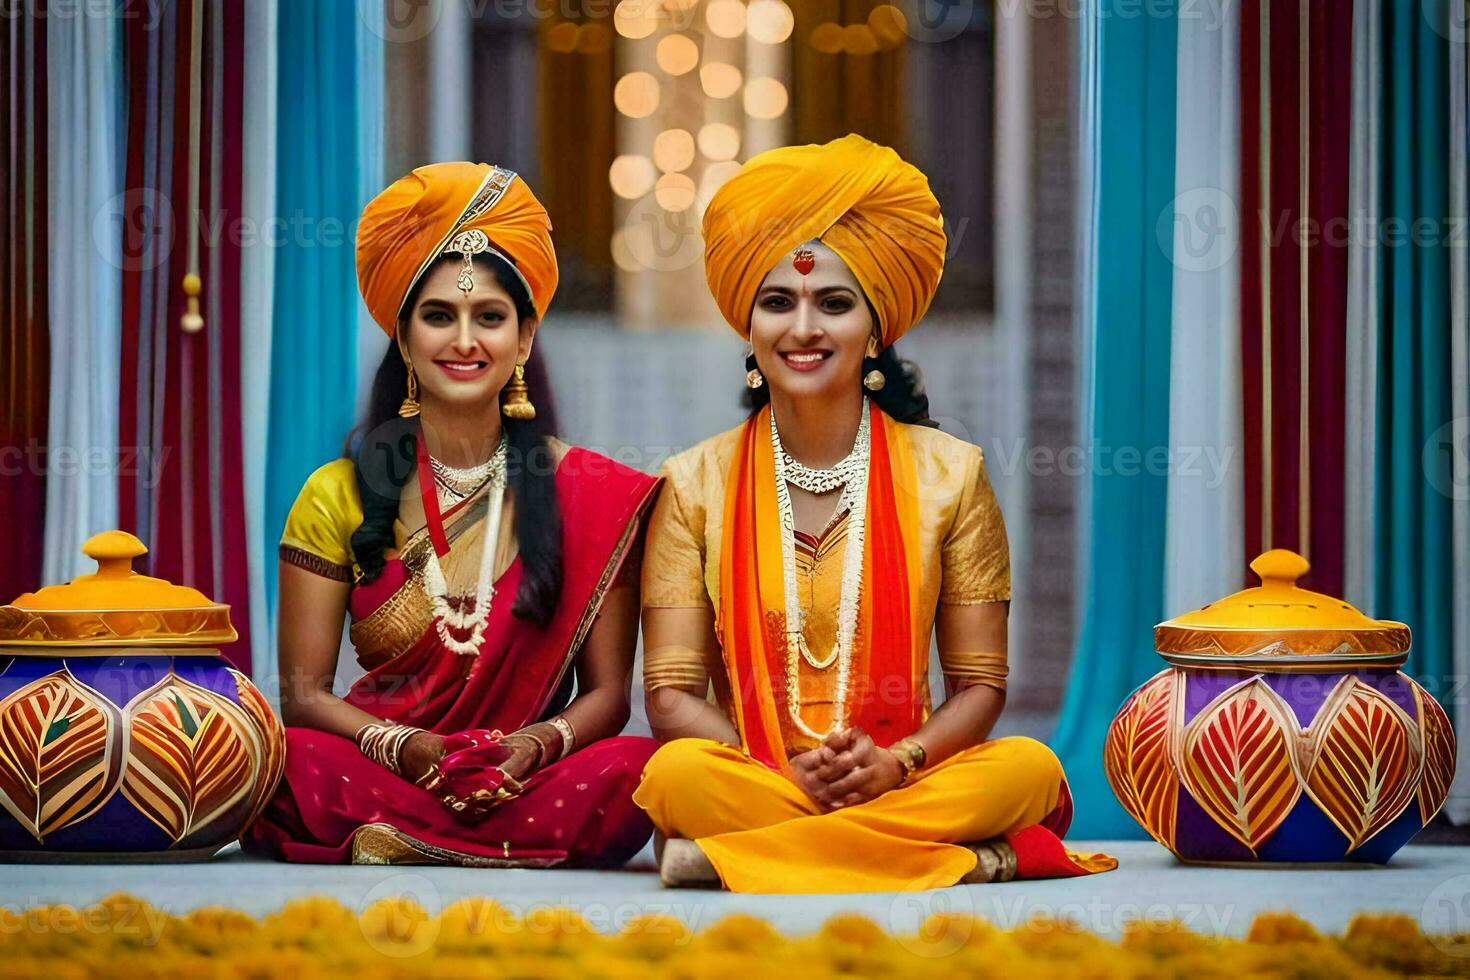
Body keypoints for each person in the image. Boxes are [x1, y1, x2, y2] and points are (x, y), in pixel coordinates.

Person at [633, 135, 1116, 893]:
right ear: (749, 329)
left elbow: (981, 686)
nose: (803, 329)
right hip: (761, 773)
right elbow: (669, 697)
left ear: (876, 328)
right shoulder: (693, 483)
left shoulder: (950, 474)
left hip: (904, 775)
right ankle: (959, 859)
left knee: (1029, 768)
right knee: (673, 774)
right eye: (777, 302)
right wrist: (780, 767)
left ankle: (745, 856)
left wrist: (898, 763)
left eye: (833, 303)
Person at [245, 162, 659, 867]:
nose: (464, 341)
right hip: (385, 765)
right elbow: (305, 696)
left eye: (489, 318)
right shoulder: (336, 493)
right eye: (439, 316)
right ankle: (486, 843)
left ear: (523, 340)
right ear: (405, 340)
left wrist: (529, 748)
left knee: (635, 769)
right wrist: (407, 747)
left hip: (527, 777)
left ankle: (413, 841)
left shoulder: (589, 491)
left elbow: (609, 696)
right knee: (284, 760)